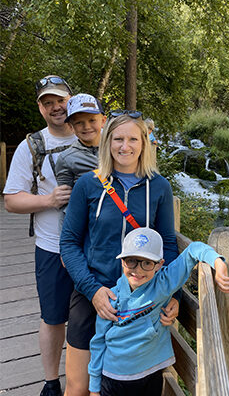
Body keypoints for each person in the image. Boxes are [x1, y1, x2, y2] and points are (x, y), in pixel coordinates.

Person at [60, 111, 180, 396]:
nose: (125, 146)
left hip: (140, 300)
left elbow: (169, 246)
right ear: (107, 142)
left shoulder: (159, 187)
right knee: (78, 387)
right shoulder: (88, 184)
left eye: (132, 139)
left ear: (144, 143)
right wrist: (93, 291)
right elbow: (69, 242)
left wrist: (171, 294)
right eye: (118, 139)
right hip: (92, 293)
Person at [88, 227, 229, 396]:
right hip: (114, 377)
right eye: (131, 261)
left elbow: (193, 251)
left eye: (147, 263)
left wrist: (218, 262)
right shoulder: (111, 298)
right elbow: (98, 342)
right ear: (122, 261)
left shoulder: (164, 283)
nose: (138, 270)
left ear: (159, 264)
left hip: (151, 372)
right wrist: (94, 388)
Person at [3, 75, 76, 396]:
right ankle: (50, 382)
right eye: (48, 102)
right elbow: (11, 200)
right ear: (40, 108)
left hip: (96, 246)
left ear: (71, 99)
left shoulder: (96, 135)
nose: (56, 107)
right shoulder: (31, 146)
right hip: (50, 247)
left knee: (97, 313)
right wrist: (49, 200)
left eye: (60, 100)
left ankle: (90, 378)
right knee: (53, 317)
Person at [55, 93, 106, 189]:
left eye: (92, 120)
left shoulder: (117, 148)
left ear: (103, 121)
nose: (86, 127)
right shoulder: (66, 159)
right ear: (71, 127)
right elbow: (65, 199)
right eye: (79, 122)